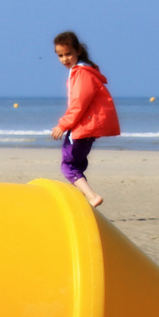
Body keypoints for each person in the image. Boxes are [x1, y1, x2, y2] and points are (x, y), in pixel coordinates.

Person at [49, 31, 121, 207]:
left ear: (78, 51)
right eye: (60, 55)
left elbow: (79, 103)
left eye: (68, 54)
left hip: (83, 127)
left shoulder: (82, 74)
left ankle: (92, 197)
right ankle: (83, 200)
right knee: (77, 164)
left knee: (68, 165)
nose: (65, 59)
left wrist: (62, 125)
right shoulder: (81, 71)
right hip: (87, 127)